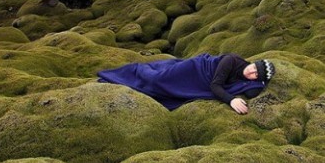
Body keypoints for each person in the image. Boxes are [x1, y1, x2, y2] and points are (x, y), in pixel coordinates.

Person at [97, 53, 275, 114]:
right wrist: (231, 100)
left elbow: (254, 90)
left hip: (201, 82)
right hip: (195, 69)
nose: (251, 73)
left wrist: (261, 81)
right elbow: (215, 86)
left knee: (168, 95)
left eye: (256, 75)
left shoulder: (250, 80)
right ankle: (130, 73)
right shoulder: (232, 60)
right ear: (252, 62)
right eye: (253, 68)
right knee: (157, 79)